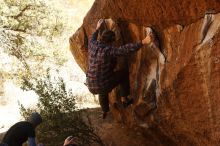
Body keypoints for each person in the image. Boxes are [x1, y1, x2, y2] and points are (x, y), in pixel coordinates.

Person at [87, 19, 158, 119]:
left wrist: (98, 28)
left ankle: (105, 110)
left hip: (91, 85)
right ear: (111, 41)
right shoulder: (109, 50)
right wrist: (143, 42)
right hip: (102, 84)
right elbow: (124, 49)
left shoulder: (92, 44)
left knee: (101, 89)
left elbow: (93, 36)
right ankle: (125, 98)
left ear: (101, 38)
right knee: (123, 74)